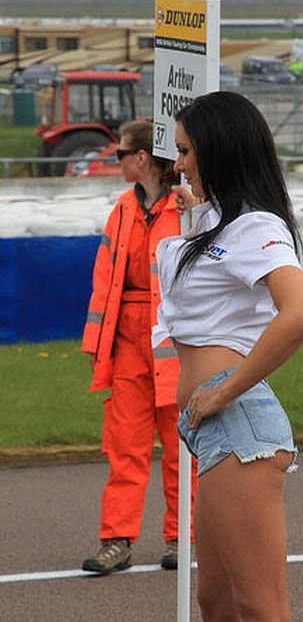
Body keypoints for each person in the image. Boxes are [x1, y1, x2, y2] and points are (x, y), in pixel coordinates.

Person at [153, 91, 303, 620]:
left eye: (185, 152)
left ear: (219, 149)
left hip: (238, 422)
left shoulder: (256, 226)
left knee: (259, 606)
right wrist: (193, 207)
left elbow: (301, 313)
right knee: (215, 600)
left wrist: (225, 390)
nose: (176, 165)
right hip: (212, 429)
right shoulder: (219, 221)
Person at [81, 120, 196, 575]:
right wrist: (98, 345)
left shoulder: (186, 207)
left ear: (142, 158)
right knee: (124, 445)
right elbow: (103, 281)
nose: (118, 162)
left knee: (178, 445)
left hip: (171, 344)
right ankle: (116, 541)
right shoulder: (123, 210)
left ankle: (180, 538)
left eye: (121, 155)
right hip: (128, 343)